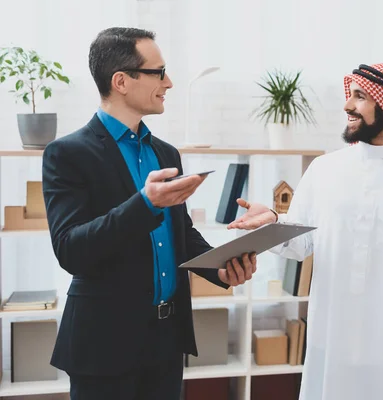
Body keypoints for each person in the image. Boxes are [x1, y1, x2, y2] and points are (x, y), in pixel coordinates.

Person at [41, 27, 256, 400]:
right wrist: (145, 205)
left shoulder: (167, 153)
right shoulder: (66, 154)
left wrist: (219, 269)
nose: (168, 82)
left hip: (166, 344)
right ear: (121, 81)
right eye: (158, 72)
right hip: (104, 348)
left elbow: (181, 234)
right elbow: (71, 249)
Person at [227, 63, 383, 400]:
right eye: (350, 95)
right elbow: (302, 243)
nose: (348, 105)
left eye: (360, 97)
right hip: (330, 346)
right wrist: (273, 224)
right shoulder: (324, 171)